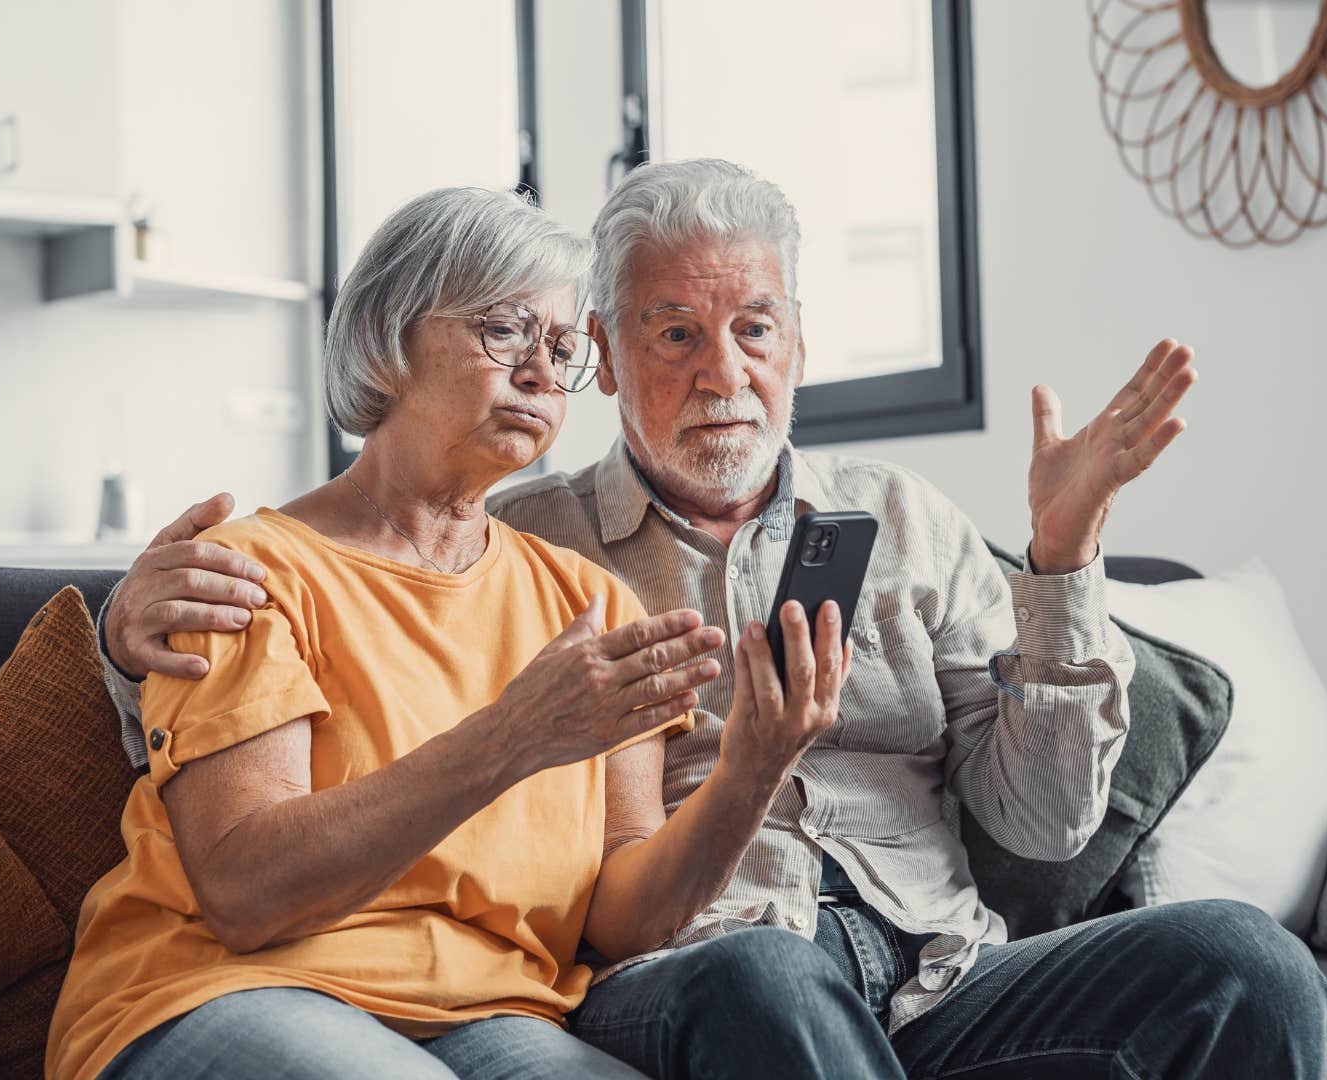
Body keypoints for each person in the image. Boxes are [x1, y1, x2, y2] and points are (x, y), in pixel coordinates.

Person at [98, 160, 1327, 1078]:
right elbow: (251, 725)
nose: (722, 370)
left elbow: (1048, 827)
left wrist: (1059, 564)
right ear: (618, 354)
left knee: (1246, 962)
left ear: (800, 343)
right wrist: (120, 634)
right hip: (713, 969)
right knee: (766, 975)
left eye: (753, 330)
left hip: (941, 964)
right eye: (673, 334)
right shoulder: (540, 542)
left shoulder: (880, 526)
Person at [47, 185, 857, 1080]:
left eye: (559, 348)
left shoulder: (589, 602)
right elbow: (247, 893)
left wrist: (752, 768)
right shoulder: (244, 572)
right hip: (231, 986)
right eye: (505, 332)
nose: (543, 374)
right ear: (391, 339)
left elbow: (618, 918)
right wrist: (513, 736)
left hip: (497, 1012)